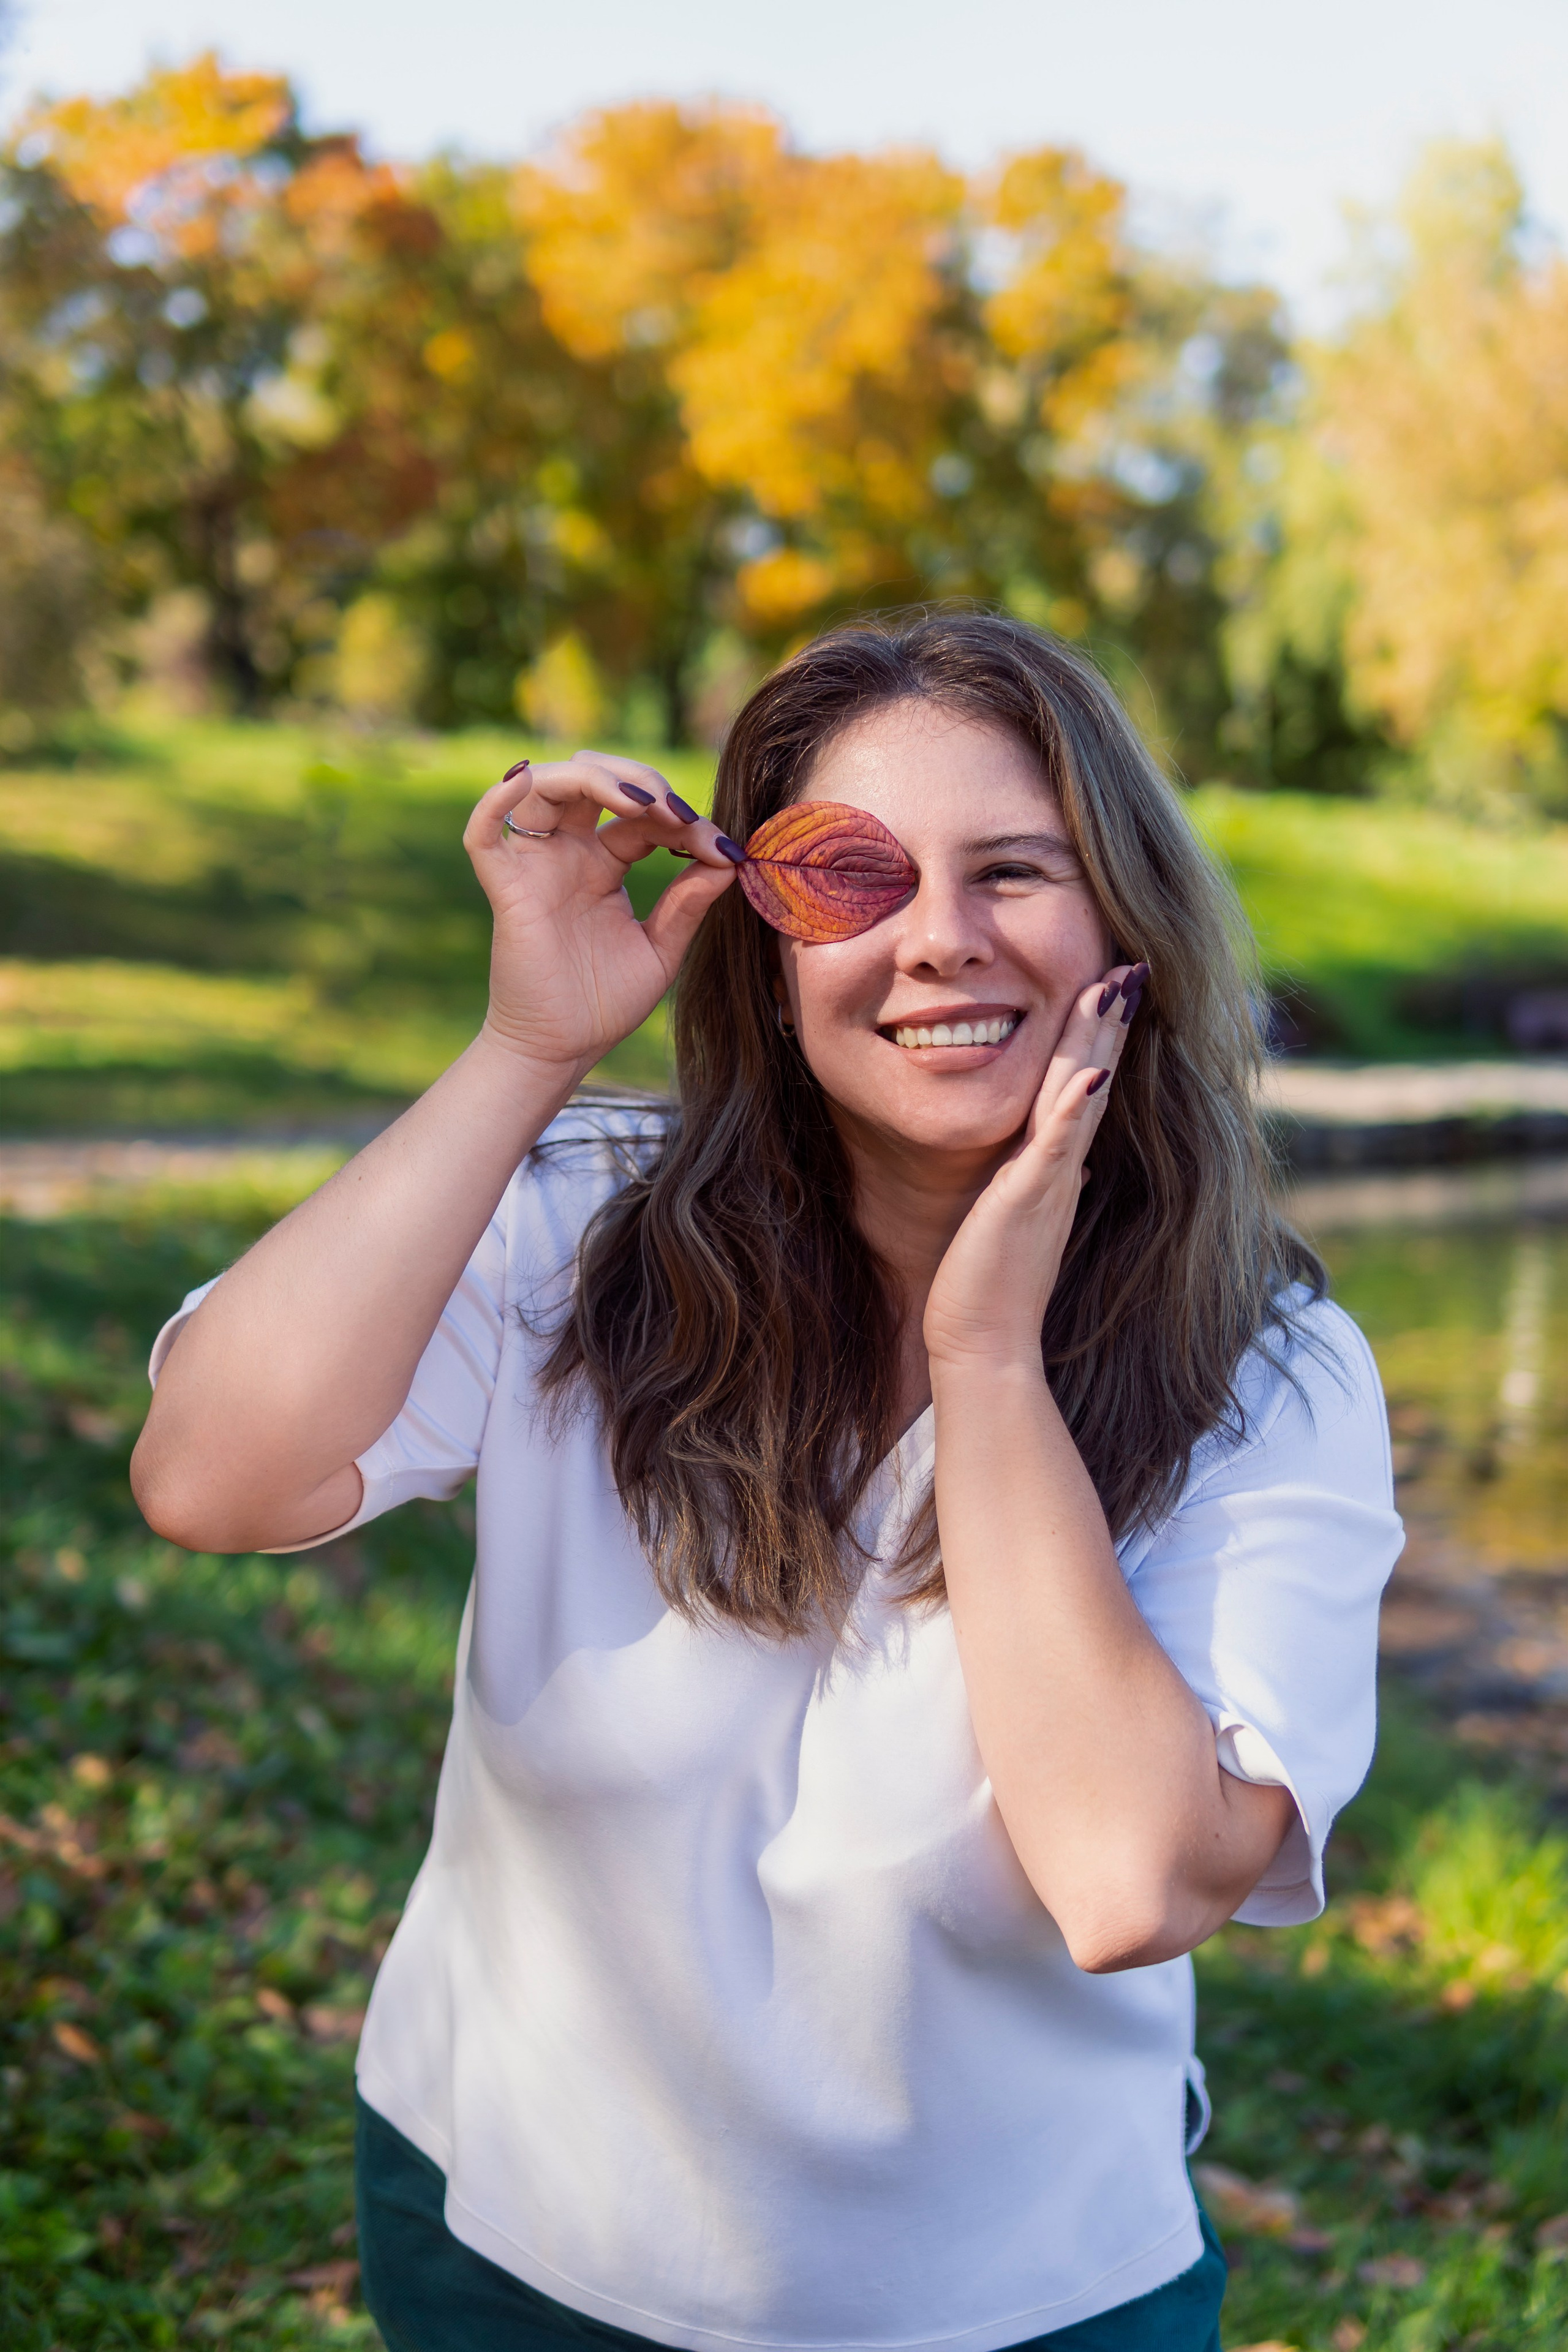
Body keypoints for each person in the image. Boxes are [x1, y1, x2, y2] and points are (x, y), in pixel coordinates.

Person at [132, 612, 1402, 2352]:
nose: (939, 939)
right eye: (855, 877)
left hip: (1018, 2302)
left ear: (1126, 921)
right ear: (765, 936)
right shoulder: (581, 1232)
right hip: (511, 2237)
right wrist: (526, 1051)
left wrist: (986, 1360)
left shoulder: (1267, 1373)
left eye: (1015, 870)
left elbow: (1132, 1884)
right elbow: (211, 1478)